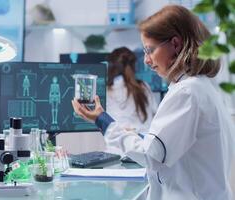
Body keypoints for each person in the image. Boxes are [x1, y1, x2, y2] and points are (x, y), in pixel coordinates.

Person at [72, 5, 235, 200]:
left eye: (150, 50)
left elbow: (151, 156)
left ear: (175, 44)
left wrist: (102, 120)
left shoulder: (187, 92)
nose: (147, 60)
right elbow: (171, 144)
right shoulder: (202, 86)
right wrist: (137, 135)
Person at [105, 47, 157, 153]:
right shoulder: (144, 87)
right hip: (143, 149)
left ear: (111, 67)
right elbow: (156, 116)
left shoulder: (107, 91)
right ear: (134, 66)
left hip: (117, 151)